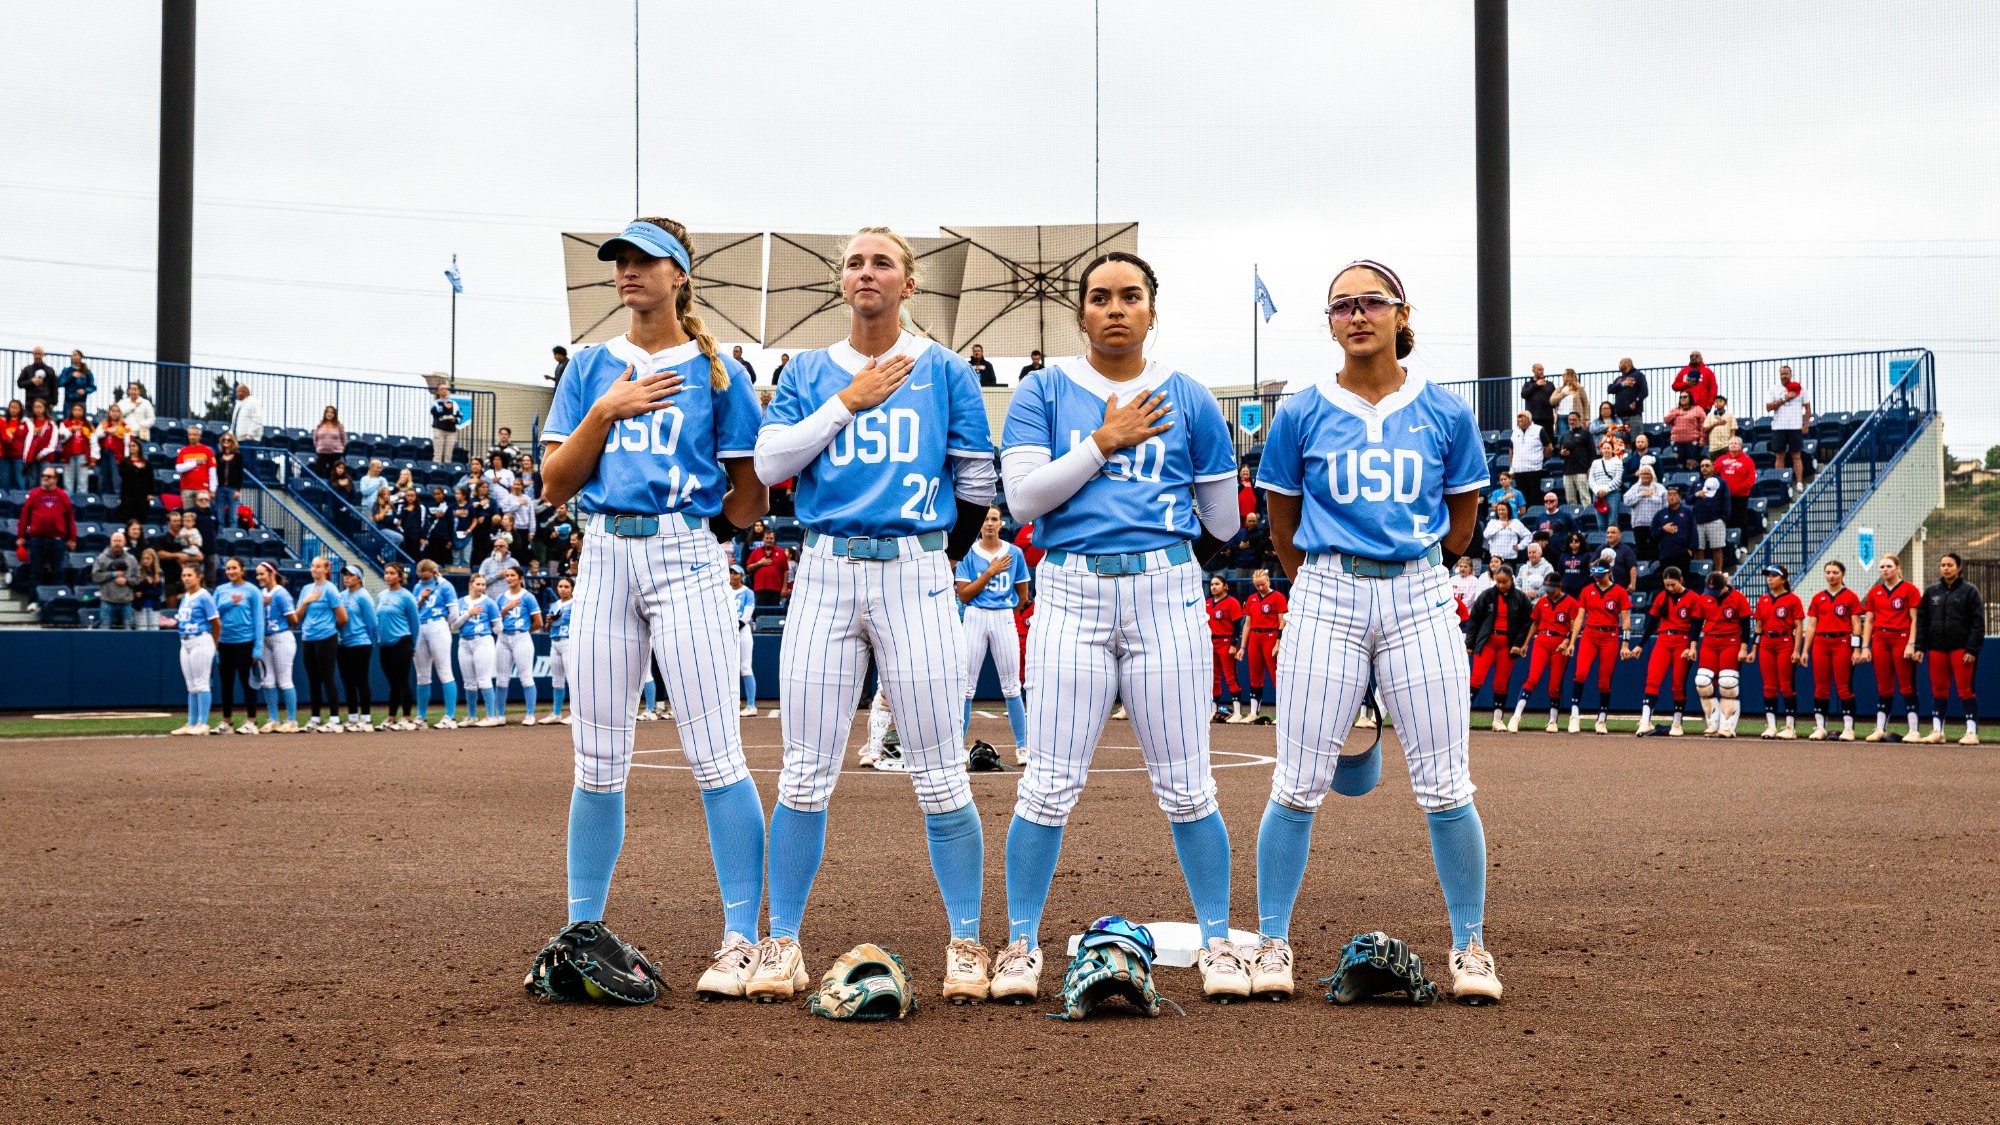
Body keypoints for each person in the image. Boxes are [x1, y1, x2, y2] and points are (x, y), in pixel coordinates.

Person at [748, 225, 994, 1006]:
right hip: (824, 564)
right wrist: (843, 404)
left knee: (940, 767)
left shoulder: (945, 368)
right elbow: (769, 463)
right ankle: (780, 938)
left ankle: (964, 937)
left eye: (882, 261)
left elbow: (978, 481)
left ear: (908, 283)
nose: (865, 271)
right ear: (840, 280)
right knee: (805, 769)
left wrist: (937, 557)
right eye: (854, 261)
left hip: (915, 565)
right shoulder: (809, 370)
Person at [536, 216, 770, 1003]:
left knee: (716, 754)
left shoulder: (721, 373)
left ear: (681, 274)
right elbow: (554, 484)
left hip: (683, 554)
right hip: (602, 552)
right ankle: (582, 929)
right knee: (596, 761)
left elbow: (747, 499)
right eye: (621, 261)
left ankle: (741, 937)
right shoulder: (590, 368)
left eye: (645, 260)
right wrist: (607, 410)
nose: (628, 271)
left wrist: (706, 533)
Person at [1000, 249, 1244, 1003]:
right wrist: (1105, 442)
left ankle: (1217, 941)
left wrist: (1203, 467)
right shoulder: (1042, 389)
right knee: (1046, 786)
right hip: (1072, 589)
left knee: (1189, 787)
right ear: (1081, 311)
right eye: (1100, 296)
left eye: (1129, 295)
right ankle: (1018, 942)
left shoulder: (1192, 397)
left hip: (1164, 589)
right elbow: (1024, 502)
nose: (1114, 308)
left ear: (1151, 308)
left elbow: (1227, 522)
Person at [1254, 258, 1499, 1004]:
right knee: (1295, 784)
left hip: (1419, 590)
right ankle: (1271, 941)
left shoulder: (1447, 411)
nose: (1356, 314)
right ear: (1329, 322)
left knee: (1446, 784)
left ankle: (1470, 946)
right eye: (1341, 305)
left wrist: (1410, 567)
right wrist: (1327, 579)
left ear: (1402, 313)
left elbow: (1462, 524)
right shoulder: (1300, 409)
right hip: (1326, 590)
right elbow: (1282, 524)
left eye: (1371, 302)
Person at [953, 506, 1032, 758]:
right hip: (975, 616)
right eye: (986, 519)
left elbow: (1022, 596)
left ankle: (1023, 747)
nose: (989, 523)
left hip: (1002, 616)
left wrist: (1005, 609)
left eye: (994, 519)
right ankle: (958, 748)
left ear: (1001, 524)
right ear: (980, 524)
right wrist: (989, 572)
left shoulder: (1015, 553)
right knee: (966, 687)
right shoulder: (968, 553)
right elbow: (964, 595)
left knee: (1011, 686)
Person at [1912, 552, 1983, 745]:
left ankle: (1971, 732)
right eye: (1942, 565)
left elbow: (1978, 623)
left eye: (1949, 565)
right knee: (1939, 690)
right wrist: (1920, 647)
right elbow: (1922, 621)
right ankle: (1937, 731)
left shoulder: (1969, 591)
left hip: (1961, 649)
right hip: (1936, 649)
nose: (1945, 568)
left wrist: (1972, 649)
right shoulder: (1931, 591)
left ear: (1958, 568)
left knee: (1965, 690)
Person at [1856, 555, 1923, 742]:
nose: (1885, 570)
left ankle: (1913, 730)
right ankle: (1879, 728)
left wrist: (1912, 643)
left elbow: (1915, 618)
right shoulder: (1875, 591)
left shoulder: (1910, 590)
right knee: (1884, 687)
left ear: (1898, 568)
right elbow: (1868, 620)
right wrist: (1865, 646)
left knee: (1907, 686)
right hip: (1880, 640)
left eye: (1889, 566)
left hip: (1901, 638)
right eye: (1882, 567)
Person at [1564, 564, 1634, 734]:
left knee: (1604, 680)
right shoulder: (1587, 590)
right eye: (1594, 574)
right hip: (1590, 634)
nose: (1596, 577)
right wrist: (1572, 642)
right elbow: (1580, 617)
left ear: (1609, 573)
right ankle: (1574, 715)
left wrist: (1625, 645)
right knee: (1580, 673)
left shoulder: (1619, 592)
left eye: (1600, 575)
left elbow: (1626, 621)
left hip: (1609, 636)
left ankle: (1601, 718)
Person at [1635, 567, 1703, 737]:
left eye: (1673, 584)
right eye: (1667, 585)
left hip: (1682, 641)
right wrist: (1640, 645)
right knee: (1653, 679)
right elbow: (1651, 623)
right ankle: (1645, 721)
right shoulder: (1661, 597)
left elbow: (1696, 624)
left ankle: (1677, 722)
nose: (1670, 588)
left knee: (1677, 684)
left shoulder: (1693, 597)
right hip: (1663, 640)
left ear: (1681, 580)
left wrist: (1691, 646)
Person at [1509, 582, 1582, 734]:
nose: (1548, 592)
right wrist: (1526, 644)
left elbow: (1575, 626)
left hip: (1559, 643)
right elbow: (1534, 624)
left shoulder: (1570, 602)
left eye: (1551, 589)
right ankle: (1516, 717)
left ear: (1559, 587)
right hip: (1542, 640)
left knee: (1555, 684)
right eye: (1546, 590)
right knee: (1532, 678)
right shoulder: (1542, 601)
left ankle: (1553, 720)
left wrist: (1568, 642)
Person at [1803, 560, 1862, 741]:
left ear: (1842, 574)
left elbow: (1856, 624)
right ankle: (1820, 727)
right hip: (1821, 642)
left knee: (1844, 687)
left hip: (1842, 641)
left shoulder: (1850, 597)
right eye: (1828, 572)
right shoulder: (1818, 597)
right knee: (1821, 688)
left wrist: (1856, 649)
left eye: (1835, 572)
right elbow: (1811, 625)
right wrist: (1805, 650)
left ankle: (1848, 728)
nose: (1831, 575)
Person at [1467, 564, 1531, 731]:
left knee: (1501, 683)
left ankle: (1497, 719)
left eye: (1504, 581)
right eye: (1498, 581)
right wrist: (1470, 644)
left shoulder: (1520, 598)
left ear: (1511, 580)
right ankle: (1462, 716)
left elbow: (1527, 623)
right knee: (1476, 679)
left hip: (1507, 645)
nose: (1501, 585)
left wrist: (1518, 644)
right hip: (1488, 641)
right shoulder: (1487, 595)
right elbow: (1474, 620)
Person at [208, 557, 266, 734]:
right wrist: (229, 602)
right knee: (226, 684)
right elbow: (213, 613)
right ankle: (227, 722)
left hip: (245, 643)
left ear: (242, 570)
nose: (230, 571)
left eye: (234, 568)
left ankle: (251, 721)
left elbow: (259, 621)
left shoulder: (253, 591)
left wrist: (258, 648)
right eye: (228, 568)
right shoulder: (220, 590)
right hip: (224, 643)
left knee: (247, 683)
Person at [290, 556, 348, 732]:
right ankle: (315, 718)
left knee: (328, 677)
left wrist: (329, 629)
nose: (314, 569)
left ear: (325, 569)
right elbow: (297, 617)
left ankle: (334, 719)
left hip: (326, 638)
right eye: (312, 566)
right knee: (313, 679)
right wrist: (307, 601)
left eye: (318, 566)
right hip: (308, 638)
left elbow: (343, 617)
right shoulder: (307, 589)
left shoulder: (330, 589)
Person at [1749, 564, 1806, 739]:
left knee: (1786, 685)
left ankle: (1790, 727)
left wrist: (1797, 650)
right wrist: (1754, 649)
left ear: (1783, 579)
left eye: (1774, 576)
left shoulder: (1792, 599)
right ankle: (1771, 726)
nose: (1770, 579)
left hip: (1785, 641)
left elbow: (1798, 626)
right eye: (1768, 576)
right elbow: (1758, 626)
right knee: (1769, 685)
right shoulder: (1763, 599)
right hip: (1766, 642)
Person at [1692, 570, 1751, 737]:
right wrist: (1692, 646)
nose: (1713, 594)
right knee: (1702, 682)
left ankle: (1727, 726)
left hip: (1731, 641)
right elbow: (1696, 624)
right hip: (1709, 641)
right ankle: (1712, 723)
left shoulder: (1738, 598)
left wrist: (1743, 648)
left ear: (1724, 586)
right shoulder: (1704, 598)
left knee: (1727, 683)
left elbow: (1745, 626)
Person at [169, 566, 221, 736]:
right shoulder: (185, 597)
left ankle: (203, 723)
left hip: (201, 639)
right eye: (183, 575)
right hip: (185, 641)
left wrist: (214, 644)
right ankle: (191, 722)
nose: (186, 578)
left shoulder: (205, 596)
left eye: (189, 575)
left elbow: (216, 623)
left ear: (199, 577)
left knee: (202, 682)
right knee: (191, 685)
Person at [409, 557, 460, 729]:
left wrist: (446, 625)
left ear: (433, 572)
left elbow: (454, 612)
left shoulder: (445, 585)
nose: (423, 580)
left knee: (445, 671)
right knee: (422, 675)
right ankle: (421, 716)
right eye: (421, 576)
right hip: (420, 627)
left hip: (438, 624)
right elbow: (413, 610)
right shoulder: (417, 587)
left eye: (426, 576)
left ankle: (450, 716)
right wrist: (422, 599)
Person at [492, 565, 544, 725]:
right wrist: (506, 609)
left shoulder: (527, 597)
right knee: (501, 679)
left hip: (521, 637)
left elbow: (538, 622)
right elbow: (494, 620)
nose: (509, 578)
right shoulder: (501, 598)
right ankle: (499, 715)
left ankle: (530, 714)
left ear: (520, 577)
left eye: (512, 575)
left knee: (526, 677)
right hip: (503, 637)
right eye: (507, 575)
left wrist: (524, 631)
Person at [451, 572, 502, 726]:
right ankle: (471, 716)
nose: (481, 587)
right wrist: (468, 614)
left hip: (482, 640)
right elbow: (453, 625)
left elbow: (499, 627)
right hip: (464, 641)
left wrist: (485, 632)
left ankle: (490, 716)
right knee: (469, 682)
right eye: (478, 584)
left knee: (484, 679)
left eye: (483, 585)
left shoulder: (489, 603)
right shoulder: (461, 602)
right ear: (471, 584)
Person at [374, 562, 421, 730]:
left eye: (392, 573)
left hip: (402, 641)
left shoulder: (407, 597)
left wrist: (413, 646)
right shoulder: (381, 595)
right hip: (385, 644)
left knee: (402, 681)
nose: (388, 576)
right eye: (386, 573)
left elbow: (415, 623)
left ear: (400, 576)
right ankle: (391, 717)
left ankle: (407, 718)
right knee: (392, 682)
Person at [254, 561, 298, 733]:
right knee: (267, 680)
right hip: (265, 639)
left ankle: (292, 720)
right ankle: (273, 719)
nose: (259, 577)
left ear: (271, 573)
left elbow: (293, 620)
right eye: (257, 574)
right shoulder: (261, 593)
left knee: (285, 680)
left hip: (281, 637)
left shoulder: (281, 594)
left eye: (262, 573)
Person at [334, 563, 378, 732]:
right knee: (348, 682)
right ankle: (353, 717)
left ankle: (366, 718)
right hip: (343, 643)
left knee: (361, 680)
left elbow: (372, 623)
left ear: (359, 578)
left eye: (351, 575)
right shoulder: (341, 595)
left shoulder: (363, 596)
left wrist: (371, 642)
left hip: (360, 643)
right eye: (345, 575)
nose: (347, 577)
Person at [19, 466, 75, 594]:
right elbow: (24, 517)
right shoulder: (34, 494)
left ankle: (57, 599)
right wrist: (21, 536)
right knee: (36, 571)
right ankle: (33, 601)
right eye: (43, 475)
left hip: (57, 539)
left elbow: (70, 519)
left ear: (56, 479)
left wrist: (72, 538)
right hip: (37, 539)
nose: (45, 478)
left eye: (49, 476)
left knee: (57, 571)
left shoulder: (62, 496)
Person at [1241, 568, 1286, 725]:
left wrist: (1278, 642)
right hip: (1255, 637)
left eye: (1262, 584)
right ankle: (1253, 713)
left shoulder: (1278, 597)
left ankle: (1282, 713)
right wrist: (1242, 647)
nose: (1260, 588)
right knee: (1255, 675)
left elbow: (1283, 621)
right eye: (1257, 585)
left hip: (1270, 636)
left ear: (1268, 581)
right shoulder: (1252, 599)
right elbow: (1247, 624)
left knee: (1276, 676)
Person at [1207, 573, 1249, 724]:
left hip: (1226, 641)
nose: (1213, 587)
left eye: (1217, 584)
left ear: (1225, 586)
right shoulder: (1207, 603)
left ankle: (1237, 712)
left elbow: (1238, 625)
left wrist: (1233, 644)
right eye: (1212, 584)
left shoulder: (1232, 602)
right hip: (1212, 643)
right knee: (1213, 678)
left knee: (1230, 677)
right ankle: (1213, 710)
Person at [1764, 365, 1812, 490]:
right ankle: (1780, 483)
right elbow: (1768, 407)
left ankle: (1799, 483)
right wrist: (1783, 399)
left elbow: (1807, 407)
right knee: (1780, 455)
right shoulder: (1774, 389)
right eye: (1782, 374)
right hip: (1778, 427)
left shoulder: (1800, 388)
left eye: (1786, 373)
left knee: (1796, 455)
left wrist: (1806, 424)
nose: (1784, 376)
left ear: (1791, 374)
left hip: (1795, 427)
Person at [90, 530, 139, 630]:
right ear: (110, 542)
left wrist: (127, 581)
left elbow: (138, 579)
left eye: (119, 541)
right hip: (107, 602)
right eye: (115, 540)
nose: (117, 543)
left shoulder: (131, 559)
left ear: (124, 542)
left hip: (126, 602)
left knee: (128, 631)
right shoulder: (102, 558)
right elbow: (95, 576)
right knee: (104, 630)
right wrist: (113, 574)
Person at [545, 574, 576, 725]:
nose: (562, 589)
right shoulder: (555, 604)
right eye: (560, 586)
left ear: (572, 589)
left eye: (566, 587)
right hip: (555, 641)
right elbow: (547, 628)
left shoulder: (575, 603)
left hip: (568, 641)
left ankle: (575, 714)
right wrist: (549, 621)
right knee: (557, 680)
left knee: (572, 679)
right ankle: (556, 713)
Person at [1624, 465, 1667, 559]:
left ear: (1652, 474)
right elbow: (1627, 501)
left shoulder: (1660, 488)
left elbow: (1665, 505)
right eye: (1643, 473)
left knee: (1655, 549)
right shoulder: (1635, 488)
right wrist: (1641, 494)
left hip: (1655, 524)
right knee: (1641, 550)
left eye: (1648, 473)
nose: (1645, 476)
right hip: (1639, 524)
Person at [1650, 486, 1696, 572]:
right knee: (1668, 581)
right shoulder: (1660, 514)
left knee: (1683, 580)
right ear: (1666, 497)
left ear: (1679, 497)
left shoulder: (1687, 513)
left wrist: (1691, 549)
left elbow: (1693, 532)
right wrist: (1663, 529)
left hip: (1683, 554)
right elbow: (1652, 533)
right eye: (1669, 495)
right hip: (1665, 555)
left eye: (1674, 494)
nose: (1672, 497)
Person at [1714, 437, 1756, 530]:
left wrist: (1741, 488)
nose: (1733, 445)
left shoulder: (1747, 460)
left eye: (1736, 443)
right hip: (1725, 496)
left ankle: (1743, 544)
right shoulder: (1722, 459)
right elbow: (1713, 471)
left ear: (1740, 446)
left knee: (1741, 520)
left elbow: (1751, 477)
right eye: (1731, 443)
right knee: (1727, 519)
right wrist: (1724, 463)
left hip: (1741, 496)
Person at [1692, 472, 1730, 571]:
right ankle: (1702, 572)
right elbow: (1688, 498)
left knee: (1717, 548)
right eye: (1702, 466)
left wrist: (1724, 518)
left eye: (1707, 465)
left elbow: (1726, 499)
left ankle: (1718, 572)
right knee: (1698, 549)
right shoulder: (1696, 483)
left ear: (1712, 467)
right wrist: (1697, 494)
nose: (1704, 468)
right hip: (1699, 521)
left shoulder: (1721, 482)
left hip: (1715, 520)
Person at [1507, 410, 1548, 503]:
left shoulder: (1539, 429)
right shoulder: (1515, 432)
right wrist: (1512, 467)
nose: (1519, 420)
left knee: (1534, 495)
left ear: (1529, 419)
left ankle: (1533, 515)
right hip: (1519, 470)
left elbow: (1548, 447)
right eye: (1518, 418)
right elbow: (1511, 450)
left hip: (1534, 469)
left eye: (1522, 418)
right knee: (1522, 496)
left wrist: (1542, 459)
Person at [1555, 412, 1594, 506]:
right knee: (1570, 499)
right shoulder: (1564, 435)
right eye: (1570, 420)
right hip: (1567, 471)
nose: (1572, 422)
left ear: (1579, 420)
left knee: (1585, 497)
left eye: (1574, 420)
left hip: (1582, 470)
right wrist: (1562, 453)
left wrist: (1590, 467)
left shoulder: (1586, 434)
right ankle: (1573, 518)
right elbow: (1559, 452)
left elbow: (1592, 452)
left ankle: (1587, 516)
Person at [56, 402, 94, 497]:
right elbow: (61, 437)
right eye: (75, 410)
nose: (77, 412)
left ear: (84, 412)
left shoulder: (88, 424)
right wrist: (71, 429)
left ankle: (81, 501)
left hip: (83, 455)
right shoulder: (65, 423)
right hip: (68, 455)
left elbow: (93, 440)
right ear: (71, 411)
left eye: (79, 410)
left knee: (82, 480)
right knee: (68, 480)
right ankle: (68, 502)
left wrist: (93, 457)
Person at [95, 402, 134, 495]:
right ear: (109, 412)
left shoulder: (125, 425)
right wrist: (107, 431)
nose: (115, 413)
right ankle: (103, 494)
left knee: (115, 475)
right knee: (103, 475)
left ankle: (117, 494)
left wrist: (127, 455)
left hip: (117, 454)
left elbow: (129, 440)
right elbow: (95, 435)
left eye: (117, 411)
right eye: (112, 411)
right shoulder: (103, 424)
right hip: (104, 452)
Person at [744, 527, 789, 607]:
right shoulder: (755, 552)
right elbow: (748, 568)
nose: (769, 540)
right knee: (760, 611)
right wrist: (760, 563)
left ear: (774, 540)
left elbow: (785, 570)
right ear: (763, 539)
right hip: (760, 588)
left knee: (774, 613)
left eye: (771, 538)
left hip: (776, 589)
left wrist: (785, 587)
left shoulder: (781, 552)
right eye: (767, 538)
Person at [1588, 437, 1625, 531]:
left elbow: (1618, 479)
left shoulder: (1618, 462)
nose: (1606, 450)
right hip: (1597, 494)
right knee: (1601, 523)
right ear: (1601, 450)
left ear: (1613, 450)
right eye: (1604, 448)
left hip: (1612, 494)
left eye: (1608, 448)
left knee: (1612, 522)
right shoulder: (1595, 463)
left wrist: (1605, 490)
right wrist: (1597, 490)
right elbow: (1591, 479)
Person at [175, 423, 216, 506]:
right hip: (187, 488)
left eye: (194, 434)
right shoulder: (183, 451)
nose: (192, 437)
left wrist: (212, 489)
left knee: (203, 513)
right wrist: (195, 463)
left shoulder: (207, 450)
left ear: (200, 436)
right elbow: (179, 468)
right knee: (188, 515)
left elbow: (212, 471)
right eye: (190, 434)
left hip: (203, 488)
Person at [1664, 391, 1704, 469]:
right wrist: (1677, 413)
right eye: (1681, 397)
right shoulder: (1675, 410)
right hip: (1677, 442)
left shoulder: (1697, 409)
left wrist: (1702, 439)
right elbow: (1666, 420)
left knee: (1692, 465)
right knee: (1679, 465)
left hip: (1692, 442)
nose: (1682, 399)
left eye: (1685, 397)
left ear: (1690, 398)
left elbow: (1703, 425)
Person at [1480, 501, 1529, 565]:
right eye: (1499, 510)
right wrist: (1500, 527)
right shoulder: (1492, 523)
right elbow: (1486, 535)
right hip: (1495, 558)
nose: (1500, 512)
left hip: (1511, 557)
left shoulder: (1515, 522)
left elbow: (1528, 535)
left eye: (1503, 510)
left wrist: (1520, 546)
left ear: (1508, 510)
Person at [213, 432, 245, 529]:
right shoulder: (218, 456)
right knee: (220, 515)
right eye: (224, 440)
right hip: (220, 488)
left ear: (232, 442)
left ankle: (233, 535)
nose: (226, 442)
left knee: (233, 516)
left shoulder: (238, 456)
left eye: (228, 440)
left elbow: (240, 474)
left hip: (233, 488)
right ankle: (221, 535)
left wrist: (238, 490)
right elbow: (214, 473)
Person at [16, 346, 57, 415]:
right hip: (30, 403)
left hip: (46, 402)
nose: (37, 356)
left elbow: (54, 387)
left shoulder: (50, 370)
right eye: (36, 354)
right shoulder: (27, 369)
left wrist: (53, 402)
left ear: (43, 355)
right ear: (33, 354)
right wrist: (31, 381)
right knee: (28, 424)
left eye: (39, 354)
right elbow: (19, 383)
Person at [430, 383, 462, 464]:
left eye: (445, 389)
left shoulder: (454, 403)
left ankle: (447, 470)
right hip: (439, 429)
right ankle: (437, 470)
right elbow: (435, 413)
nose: (444, 391)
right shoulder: (436, 403)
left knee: (448, 455)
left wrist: (454, 420)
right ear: (438, 392)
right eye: (442, 389)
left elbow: (460, 415)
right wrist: (445, 407)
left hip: (451, 431)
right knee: (438, 453)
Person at [1608, 357, 1648, 423]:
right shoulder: (1619, 379)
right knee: (1620, 433)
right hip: (1619, 416)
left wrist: (1635, 402)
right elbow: (1610, 389)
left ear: (1627, 363)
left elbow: (1644, 392)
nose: (1619, 365)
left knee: (1635, 433)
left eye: (1620, 363)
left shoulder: (1638, 375)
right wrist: (1622, 384)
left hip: (1634, 415)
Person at [1555, 530, 1593, 597]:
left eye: (1576, 541)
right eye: (1571, 541)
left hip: (1582, 589)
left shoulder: (1587, 556)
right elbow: (1559, 573)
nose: (1573, 542)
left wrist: (1582, 584)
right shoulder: (1563, 556)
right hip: (1566, 589)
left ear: (1581, 542)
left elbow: (1589, 574)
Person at [1601, 525, 1639, 590]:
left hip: (1622, 588)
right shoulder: (1601, 549)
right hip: (1604, 589)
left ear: (1619, 535)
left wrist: (1632, 584)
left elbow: (1633, 568)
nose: (1610, 535)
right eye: (1608, 533)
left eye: (1613, 533)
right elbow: (1592, 565)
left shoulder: (1626, 550)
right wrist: (1600, 560)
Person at [1520, 363, 1555, 435]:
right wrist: (1536, 385)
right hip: (1533, 418)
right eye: (1539, 369)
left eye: (1542, 369)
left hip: (1547, 418)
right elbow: (1523, 395)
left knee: (1548, 439)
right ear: (1533, 370)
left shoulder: (1549, 384)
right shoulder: (1528, 384)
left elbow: (1554, 399)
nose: (1542, 371)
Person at [312, 406, 347, 478]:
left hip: (335, 453)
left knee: (333, 472)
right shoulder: (320, 425)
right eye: (328, 412)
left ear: (335, 415)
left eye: (332, 412)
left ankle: (332, 488)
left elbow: (344, 439)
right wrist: (319, 447)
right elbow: (315, 438)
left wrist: (341, 448)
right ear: (325, 414)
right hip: (322, 452)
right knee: (318, 470)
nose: (329, 414)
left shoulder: (339, 426)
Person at [0, 400, 24, 493]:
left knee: (19, 481)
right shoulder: (3, 422)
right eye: (11, 407)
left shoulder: (24, 423)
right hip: (5, 456)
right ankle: (5, 504)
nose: (13, 410)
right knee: (4, 481)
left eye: (16, 407)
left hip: (18, 456)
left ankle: (21, 504)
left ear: (20, 409)